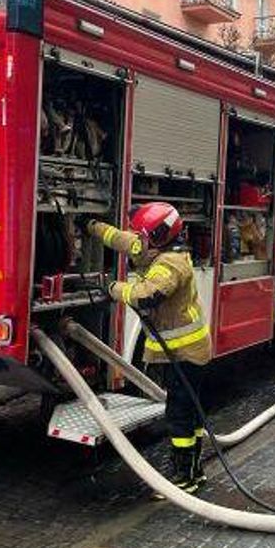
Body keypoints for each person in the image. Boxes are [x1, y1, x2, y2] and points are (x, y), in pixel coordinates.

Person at [87, 203, 212, 494]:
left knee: (179, 416)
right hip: (185, 354)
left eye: (143, 235)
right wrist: (92, 226)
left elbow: (145, 295)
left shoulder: (172, 265)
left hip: (185, 356)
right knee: (190, 413)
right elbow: (123, 240)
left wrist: (112, 288)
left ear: (158, 236)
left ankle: (183, 479)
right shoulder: (156, 247)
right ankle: (195, 472)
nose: (138, 239)